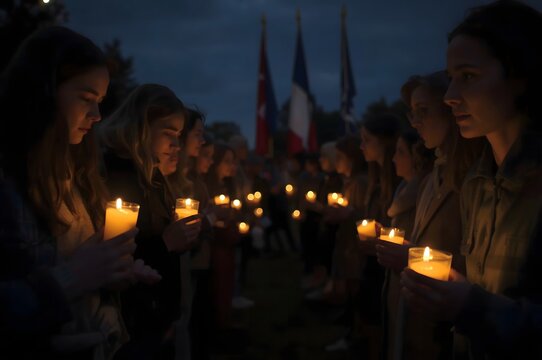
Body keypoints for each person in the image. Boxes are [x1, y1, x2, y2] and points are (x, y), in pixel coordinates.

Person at [400, 1, 542, 359]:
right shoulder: (476, 183)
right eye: (450, 79)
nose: (449, 97)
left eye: (468, 77)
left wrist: (474, 308)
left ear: (519, 74)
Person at [0, 26, 148, 359]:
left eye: (100, 103)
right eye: (86, 99)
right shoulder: (8, 181)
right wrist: (69, 280)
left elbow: (85, 260)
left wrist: (111, 274)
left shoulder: (80, 174)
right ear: (44, 92)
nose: (97, 116)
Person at [99, 84, 202, 359]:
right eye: (169, 133)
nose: (176, 144)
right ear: (140, 126)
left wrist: (186, 236)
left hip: (156, 316)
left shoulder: (153, 179)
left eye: (179, 135)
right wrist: (166, 242)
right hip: (130, 322)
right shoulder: (114, 177)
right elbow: (114, 256)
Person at [378, 130, 433, 360]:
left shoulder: (424, 192)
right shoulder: (402, 190)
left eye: (400, 152)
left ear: (417, 157)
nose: (393, 158)